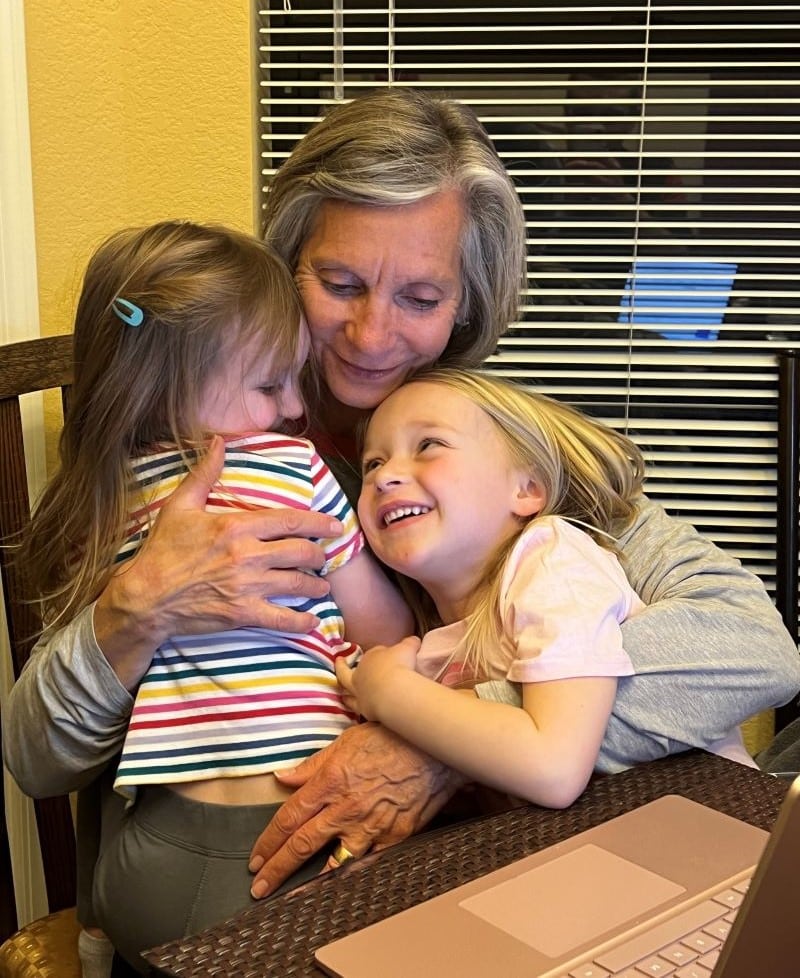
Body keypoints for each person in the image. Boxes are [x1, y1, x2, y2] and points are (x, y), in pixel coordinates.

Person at [4, 88, 799, 963]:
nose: (371, 334)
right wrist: (135, 609)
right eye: (338, 283)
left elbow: (749, 646)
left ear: (467, 306)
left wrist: (450, 737)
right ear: (283, 267)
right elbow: (40, 760)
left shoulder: (495, 456)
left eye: (420, 296)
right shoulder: (177, 460)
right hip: (247, 911)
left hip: (485, 883)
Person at [13, 220, 412, 973]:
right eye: (269, 385)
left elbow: (72, 736)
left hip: (146, 865)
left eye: (420, 295)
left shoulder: (98, 499)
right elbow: (382, 626)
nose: (292, 407)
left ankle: (97, 929)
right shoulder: (294, 466)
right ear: (168, 382)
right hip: (295, 848)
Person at [337, 368, 762, 810]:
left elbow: (553, 767)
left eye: (429, 445)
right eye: (373, 464)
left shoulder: (553, 562)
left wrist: (390, 693)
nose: (385, 477)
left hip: (710, 829)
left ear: (527, 490)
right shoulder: (437, 645)